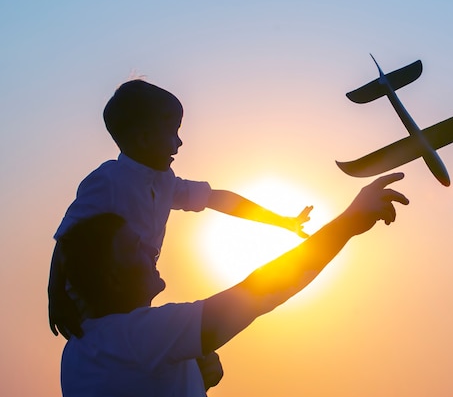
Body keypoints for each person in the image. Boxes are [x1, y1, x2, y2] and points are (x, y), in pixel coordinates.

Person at [47, 79, 312, 389]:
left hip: (134, 292)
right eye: (172, 131)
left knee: (183, 359)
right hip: (101, 297)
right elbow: (67, 237)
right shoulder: (108, 180)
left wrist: (282, 221)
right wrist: (55, 295)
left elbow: (218, 199)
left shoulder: (166, 183)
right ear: (143, 137)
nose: (179, 143)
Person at [58, 173, 409, 397]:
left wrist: (193, 380)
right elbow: (261, 291)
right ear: (111, 276)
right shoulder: (136, 337)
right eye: (134, 247)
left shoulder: (78, 352)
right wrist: (349, 222)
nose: (150, 249)